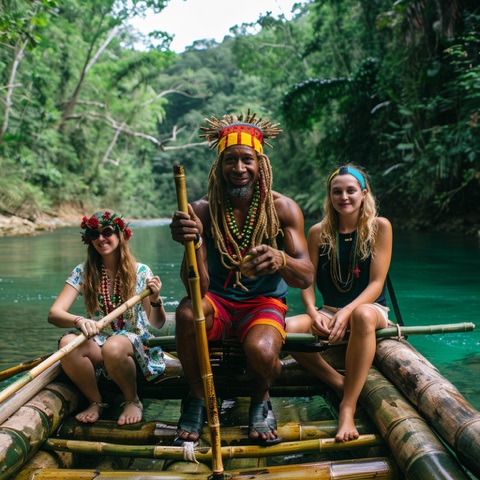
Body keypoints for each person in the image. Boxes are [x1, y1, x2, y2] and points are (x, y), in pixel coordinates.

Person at [169, 110, 314, 446]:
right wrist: (194, 242)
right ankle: (196, 397)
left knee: (262, 353)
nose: (238, 168)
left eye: (247, 159)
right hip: (216, 301)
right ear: (218, 167)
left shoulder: (283, 209)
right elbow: (198, 287)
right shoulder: (201, 211)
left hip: (262, 304)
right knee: (188, 311)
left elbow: (305, 277)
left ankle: (261, 396)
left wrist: (280, 259)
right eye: (229, 160)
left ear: (260, 164)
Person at [285, 164, 393, 442]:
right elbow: (307, 281)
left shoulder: (379, 227)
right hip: (329, 311)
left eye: (350, 191)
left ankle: (348, 406)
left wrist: (347, 312)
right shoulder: (318, 232)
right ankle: (339, 383)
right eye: (337, 192)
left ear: (363, 193)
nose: (344, 197)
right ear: (329, 196)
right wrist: (312, 311)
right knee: (285, 328)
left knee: (362, 317)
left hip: (371, 310)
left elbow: (376, 284)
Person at [48, 210, 166, 426]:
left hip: (133, 341)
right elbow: (54, 314)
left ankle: (132, 400)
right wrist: (79, 321)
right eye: (94, 234)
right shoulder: (83, 272)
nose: (101, 239)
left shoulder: (141, 271)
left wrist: (156, 298)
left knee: (113, 346)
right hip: (98, 341)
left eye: (107, 232)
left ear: (121, 235)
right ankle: (96, 401)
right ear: (89, 240)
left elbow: (157, 322)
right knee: (67, 343)